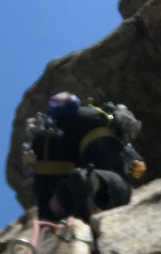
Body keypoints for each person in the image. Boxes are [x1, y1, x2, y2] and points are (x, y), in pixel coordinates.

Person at [25, 92, 147, 221]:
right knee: (118, 181)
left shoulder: (45, 136)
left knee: (52, 198)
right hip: (98, 139)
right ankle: (92, 180)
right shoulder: (96, 115)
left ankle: (63, 200)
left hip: (53, 157)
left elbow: (42, 186)